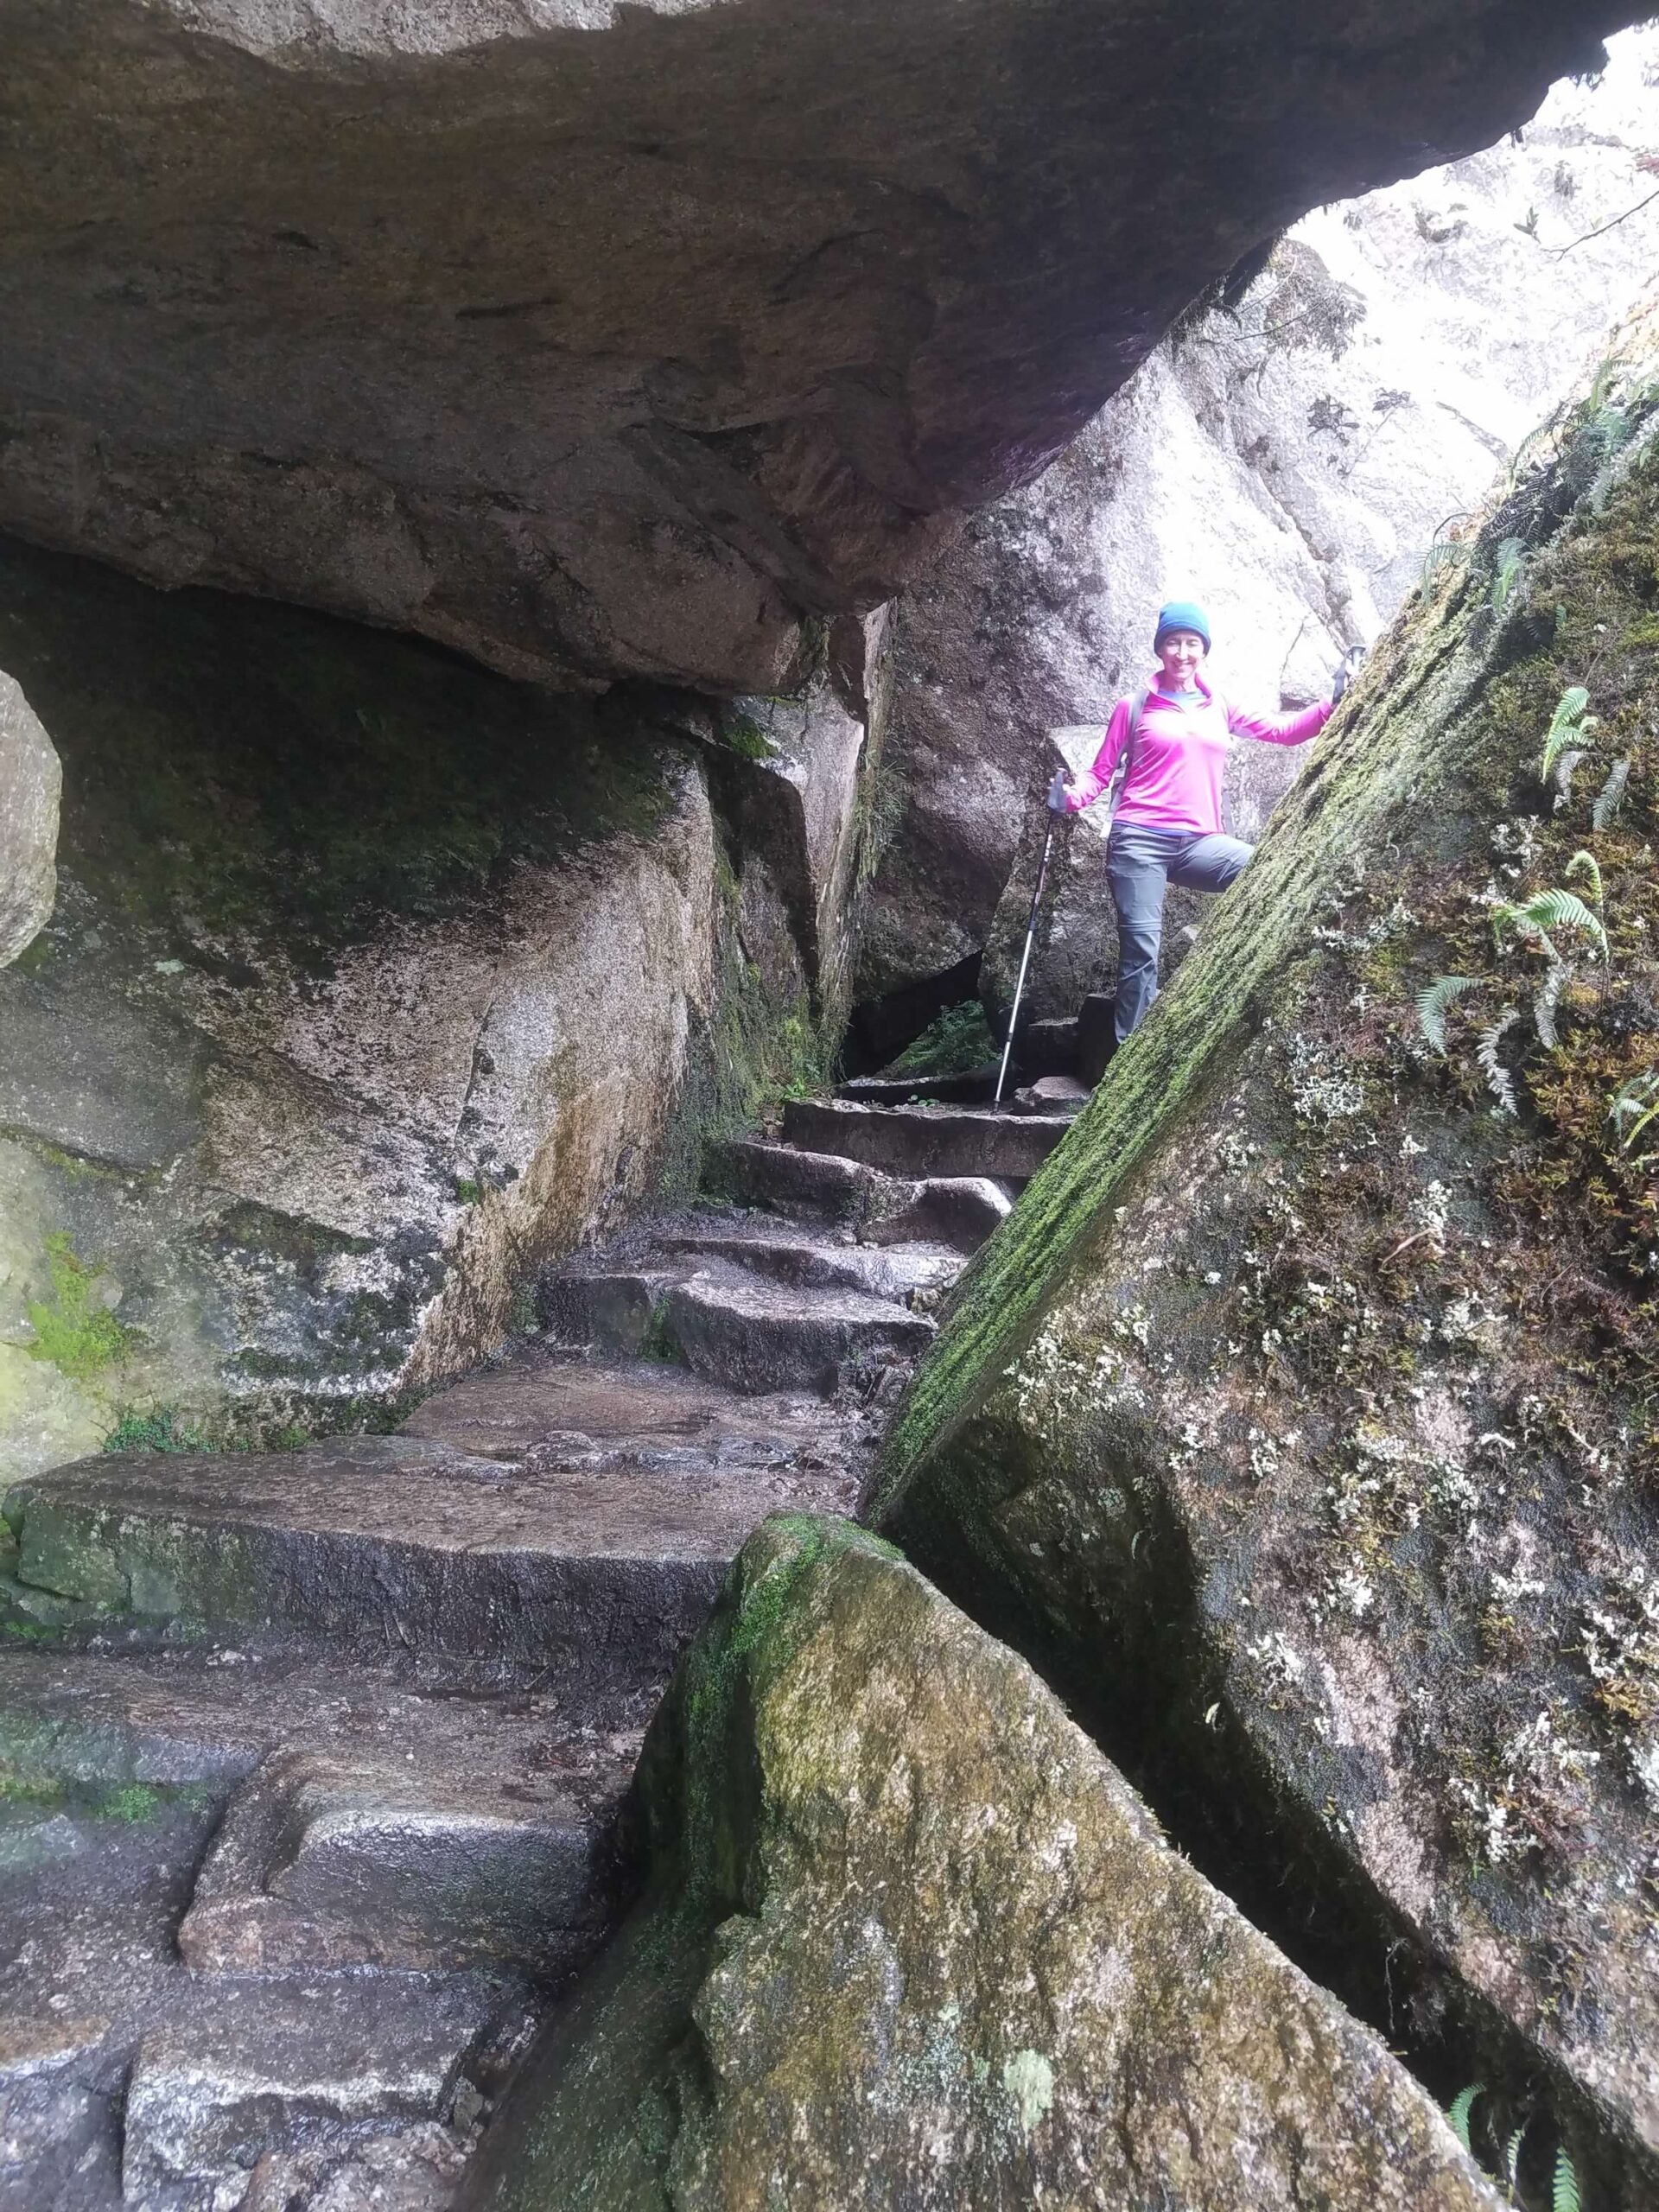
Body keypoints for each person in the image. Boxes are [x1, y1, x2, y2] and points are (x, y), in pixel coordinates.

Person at [1054, 599, 1344, 1047]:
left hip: (1198, 843)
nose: (1183, 653)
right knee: (1141, 952)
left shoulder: (1220, 704)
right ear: (1160, 649)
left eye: (1192, 643)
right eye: (1174, 642)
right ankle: (1128, 1058)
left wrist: (1333, 704)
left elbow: (1284, 732)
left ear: (1204, 650)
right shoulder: (1134, 707)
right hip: (1139, 841)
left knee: (1264, 869)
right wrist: (1072, 798)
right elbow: (1100, 771)